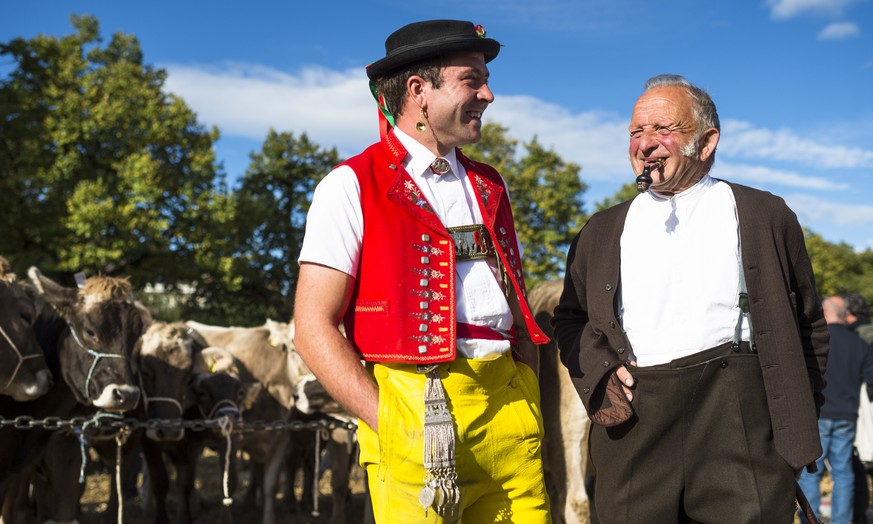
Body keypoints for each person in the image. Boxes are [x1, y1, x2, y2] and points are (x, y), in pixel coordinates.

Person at [293, 19, 551, 523]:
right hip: (418, 405)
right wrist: (390, 422)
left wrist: (527, 392)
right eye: (471, 79)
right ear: (419, 91)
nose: (489, 94)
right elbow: (312, 326)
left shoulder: (490, 183)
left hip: (509, 406)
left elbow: (512, 305)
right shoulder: (349, 184)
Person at [551, 74, 830, 523]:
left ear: (706, 142)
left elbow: (809, 327)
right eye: (635, 132)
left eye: (663, 129)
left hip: (740, 422)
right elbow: (570, 320)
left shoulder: (764, 214)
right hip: (635, 424)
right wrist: (601, 370)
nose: (645, 143)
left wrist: (793, 423)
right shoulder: (601, 230)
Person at [798, 296, 873, 524]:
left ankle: (811, 519)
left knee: (813, 471)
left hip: (819, 413)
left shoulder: (816, 341)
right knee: (843, 472)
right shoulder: (859, 344)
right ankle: (842, 520)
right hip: (847, 415)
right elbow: (871, 383)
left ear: (825, 313)